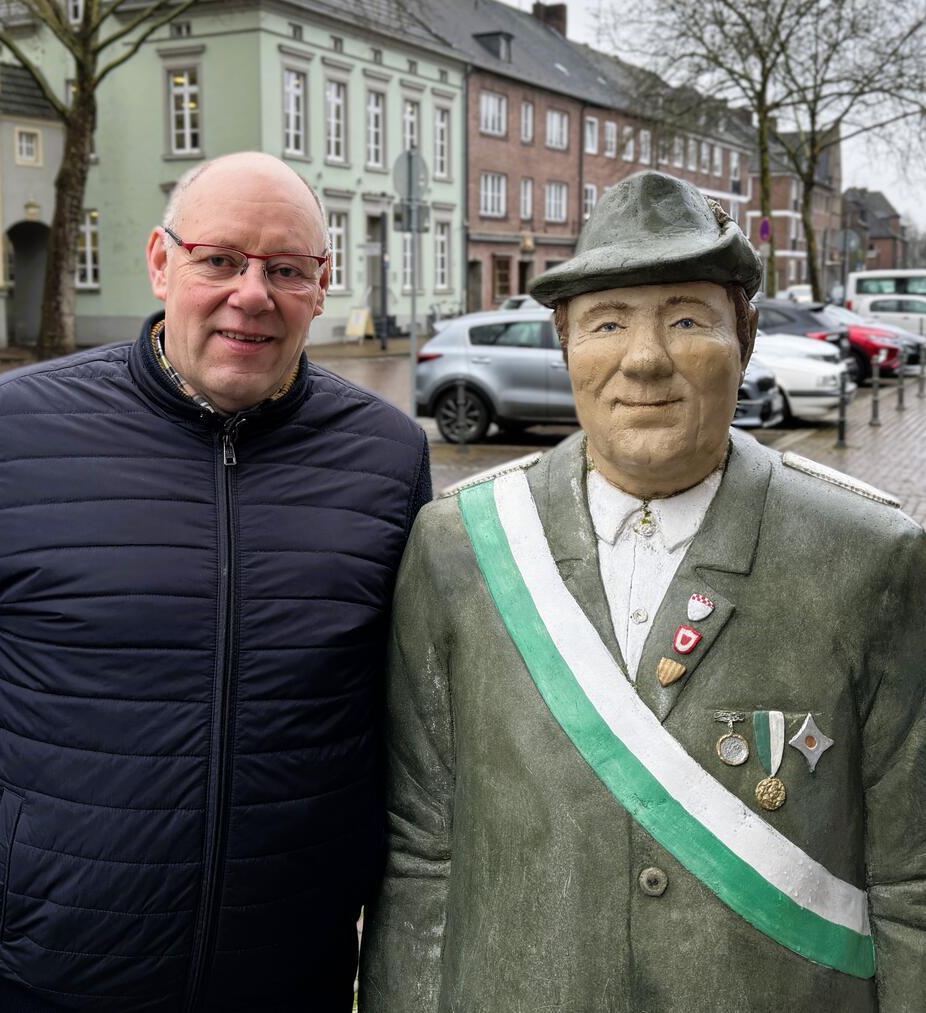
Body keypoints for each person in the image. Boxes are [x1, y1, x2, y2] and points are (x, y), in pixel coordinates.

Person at [0, 151, 432, 1011]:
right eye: (219, 259)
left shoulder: (387, 459)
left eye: (287, 269)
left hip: (292, 983)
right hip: (49, 983)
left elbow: (415, 736)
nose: (252, 294)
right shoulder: (6, 434)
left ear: (322, 284)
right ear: (160, 261)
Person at [360, 171, 924, 1011]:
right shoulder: (458, 547)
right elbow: (421, 854)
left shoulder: (873, 556)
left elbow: (911, 882)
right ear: (565, 345)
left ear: (746, 338)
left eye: (688, 319)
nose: (646, 357)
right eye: (607, 322)